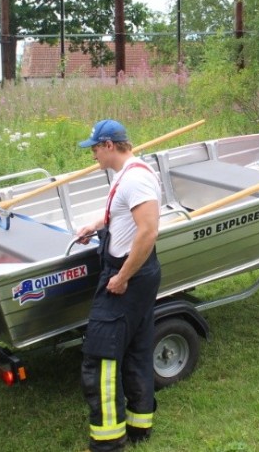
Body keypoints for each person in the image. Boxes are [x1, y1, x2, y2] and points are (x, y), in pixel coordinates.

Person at [75, 120, 162, 452]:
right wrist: (95, 225)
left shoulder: (136, 179)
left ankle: (108, 441)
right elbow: (122, 216)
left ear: (109, 145)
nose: (93, 155)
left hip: (129, 275)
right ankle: (140, 426)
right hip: (138, 272)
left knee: (100, 358)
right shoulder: (129, 174)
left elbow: (148, 232)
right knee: (137, 349)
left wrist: (122, 277)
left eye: (95, 149)